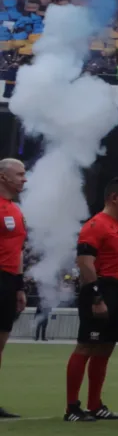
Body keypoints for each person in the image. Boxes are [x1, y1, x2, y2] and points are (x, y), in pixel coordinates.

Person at [70, 178, 118, 421]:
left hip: (117, 290)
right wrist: (96, 297)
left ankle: (95, 404)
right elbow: (85, 265)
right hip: (99, 288)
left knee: (106, 348)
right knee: (86, 345)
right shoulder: (95, 225)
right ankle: (72, 407)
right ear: (114, 198)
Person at [0, 157, 23, 418]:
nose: (24, 178)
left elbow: (18, 252)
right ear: (3, 177)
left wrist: (18, 286)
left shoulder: (16, 211)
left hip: (8, 281)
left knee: (1, 343)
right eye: (19, 174)